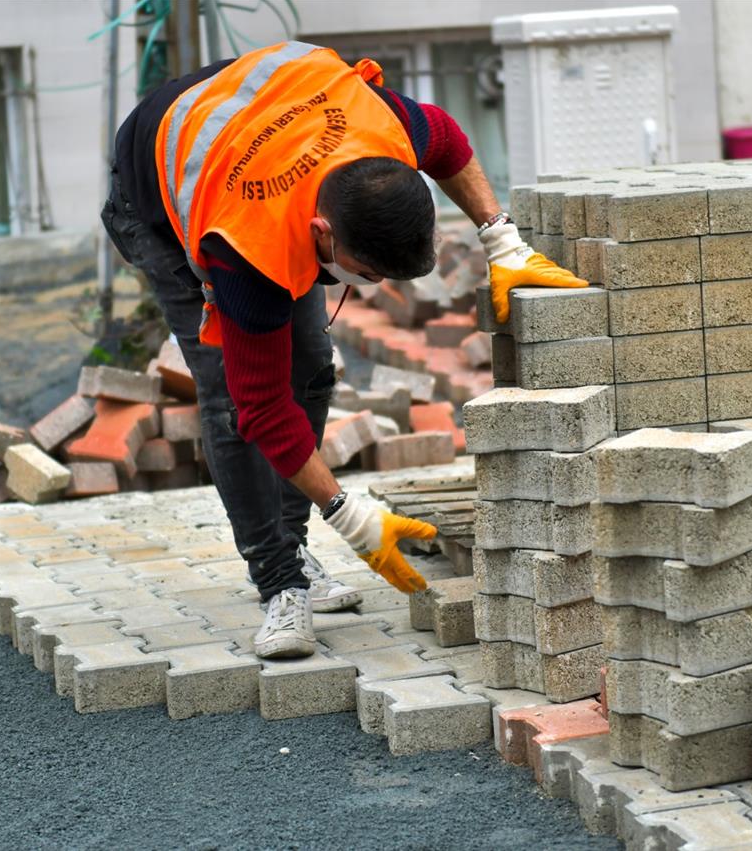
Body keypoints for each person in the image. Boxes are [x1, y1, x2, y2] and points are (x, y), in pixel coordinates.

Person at [102, 41, 589, 660]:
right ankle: (280, 581)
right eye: (368, 272)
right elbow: (259, 408)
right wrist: (348, 512)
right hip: (161, 194)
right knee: (230, 397)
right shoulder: (247, 250)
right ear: (322, 232)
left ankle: (292, 542)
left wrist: (504, 243)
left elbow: (450, 139)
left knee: (311, 367)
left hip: (263, 118)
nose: (376, 288)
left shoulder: (385, 131)